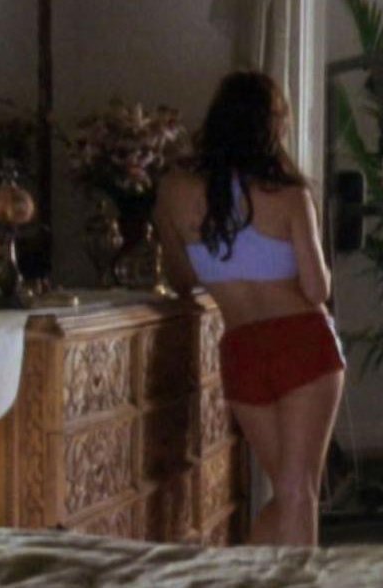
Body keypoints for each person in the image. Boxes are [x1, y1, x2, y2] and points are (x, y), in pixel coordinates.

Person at [154, 71, 344, 547]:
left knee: (288, 492)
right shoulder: (290, 194)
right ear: (272, 126)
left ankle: (251, 575)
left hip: (242, 349)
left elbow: (181, 279)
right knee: (298, 493)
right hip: (302, 344)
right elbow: (317, 289)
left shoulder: (175, 191)